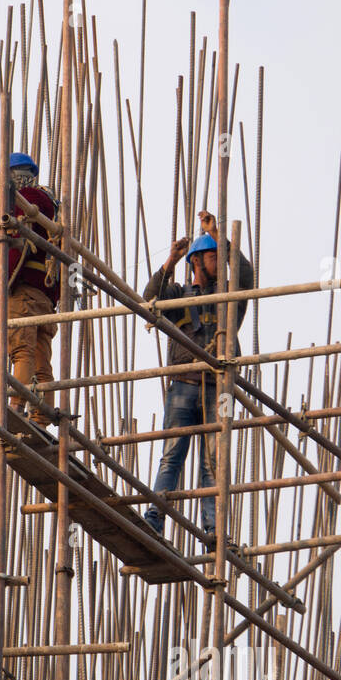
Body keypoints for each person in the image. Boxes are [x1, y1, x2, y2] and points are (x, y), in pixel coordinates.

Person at [143, 211, 254, 537]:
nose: (218, 262)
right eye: (211, 257)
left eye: (220, 257)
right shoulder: (177, 297)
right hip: (183, 386)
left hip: (218, 388)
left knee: (212, 465)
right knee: (171, 457)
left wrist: (218, 235)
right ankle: (155, 518)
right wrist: (170, 261)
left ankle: (213, 531)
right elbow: (148, 299)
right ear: (195, 263)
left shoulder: (230, 298)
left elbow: (246, 275)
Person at [0, 152, 59, 426]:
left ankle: (16, 407)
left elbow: (14, 246)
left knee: (22, 352)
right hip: (45, 296)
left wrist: (3, 278)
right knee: (42, 361)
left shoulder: (24, 202)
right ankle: (41, 418)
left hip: (23, 291)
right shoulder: (49, 204)